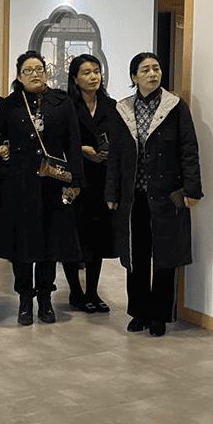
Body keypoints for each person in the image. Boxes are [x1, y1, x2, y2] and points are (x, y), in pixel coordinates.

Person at [0, 52, 84, 326]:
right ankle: (25, 300)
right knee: (22, 246)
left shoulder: (62, 102)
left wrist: (75, 181)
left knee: (51, 244)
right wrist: (1, 153)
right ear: (19, 76)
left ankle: (46, 299)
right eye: (28, 70)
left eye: (39, 68)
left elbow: (73, 143)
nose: (35, 74)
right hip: (19, 185)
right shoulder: (10, 104)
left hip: (53, 183)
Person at [106, 53, 202, 337]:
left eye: (156, 68)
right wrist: (111, 191)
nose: (152, 74)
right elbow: (115, 155)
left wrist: (192, 188)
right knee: (136, 257)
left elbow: (189, 149)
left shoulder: (175, 107)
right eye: (145, 70)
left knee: (164, 256)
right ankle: (139, 313)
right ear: (134, 77)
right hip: (133, 196)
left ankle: (159, 316)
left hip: (166, 195)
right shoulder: (123, 109)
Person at [63, 54, 119, 314]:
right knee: (73, 237)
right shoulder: (67, 106)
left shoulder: (111, 105)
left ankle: (93, 292)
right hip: (75, 179)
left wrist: (109, 151)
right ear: (75, 79)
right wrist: (82, 150)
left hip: (102, 180)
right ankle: (75, 291)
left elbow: (120, 139)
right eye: (86, 72)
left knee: (97, 239)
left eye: (96, 71)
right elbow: (58, 141)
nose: (93, 76)